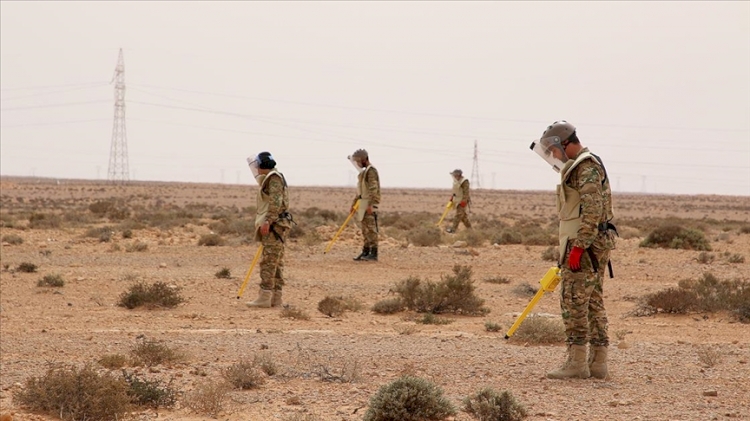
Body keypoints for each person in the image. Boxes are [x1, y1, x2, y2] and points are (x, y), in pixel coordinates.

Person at [531, 120, 616, 379]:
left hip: (585, 245)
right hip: (592, 243)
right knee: (592, 301)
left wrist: (578, 247)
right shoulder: (583, 165)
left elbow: (592, 210)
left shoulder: (585, 167)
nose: (554, 156)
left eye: (554, 150)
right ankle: (597, 363)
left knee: (574, 301)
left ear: (564, 144)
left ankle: (577, 363)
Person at [245, 152, 293, 308]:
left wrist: (268, 221)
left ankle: (265, 297)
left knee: (269, 262)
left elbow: (275, 202)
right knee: (276, 262)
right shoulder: (275, 176)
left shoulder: (273, 178)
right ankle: (275, 298)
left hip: (274, 226)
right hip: (278, 225)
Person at [348, 149, 381, 261]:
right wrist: (353, 205)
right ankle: (365, 251)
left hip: (369, 204)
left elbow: (373, 190)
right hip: (362, 203)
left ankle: (374, 252)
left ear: (364, 159)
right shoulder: (363, 173)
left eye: (358, 161)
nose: (357, 164)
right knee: (364, 229)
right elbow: (360, 191)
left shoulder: (371, 171)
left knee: (371, 229)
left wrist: (371, 205)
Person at [446, 169, 471, 233]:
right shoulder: (456, 181)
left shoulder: (464, 181)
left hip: (462, 201)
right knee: (463, 217)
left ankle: (453, 230)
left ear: (458, 175)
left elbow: (466, 192)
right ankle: (470, 230)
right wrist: (452, 198)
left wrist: (464, 201)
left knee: (458, 215)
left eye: (455, 175)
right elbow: (456, 191)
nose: (454, 176)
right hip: (457, 200)